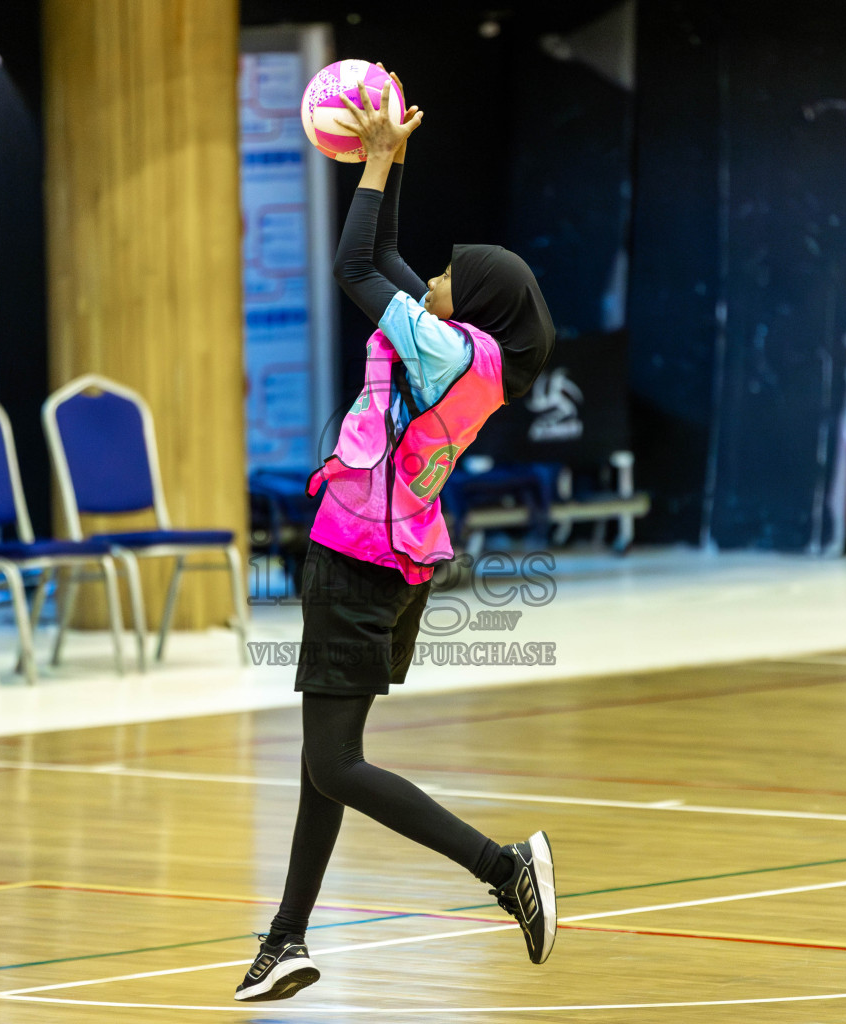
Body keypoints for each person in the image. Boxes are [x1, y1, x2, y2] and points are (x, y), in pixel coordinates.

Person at [235, 71, 558, 1003]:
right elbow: (384, 256)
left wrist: (375, 161)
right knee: (322, 761)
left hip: (356, 560)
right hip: (394, 561)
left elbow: (352, 270)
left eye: (455, 274)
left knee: (334, 761)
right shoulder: (472, 351)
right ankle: (286, 940)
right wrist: (396, 159)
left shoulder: (442, 344)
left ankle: (504, 869)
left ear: (478, 303)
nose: (437, 277)